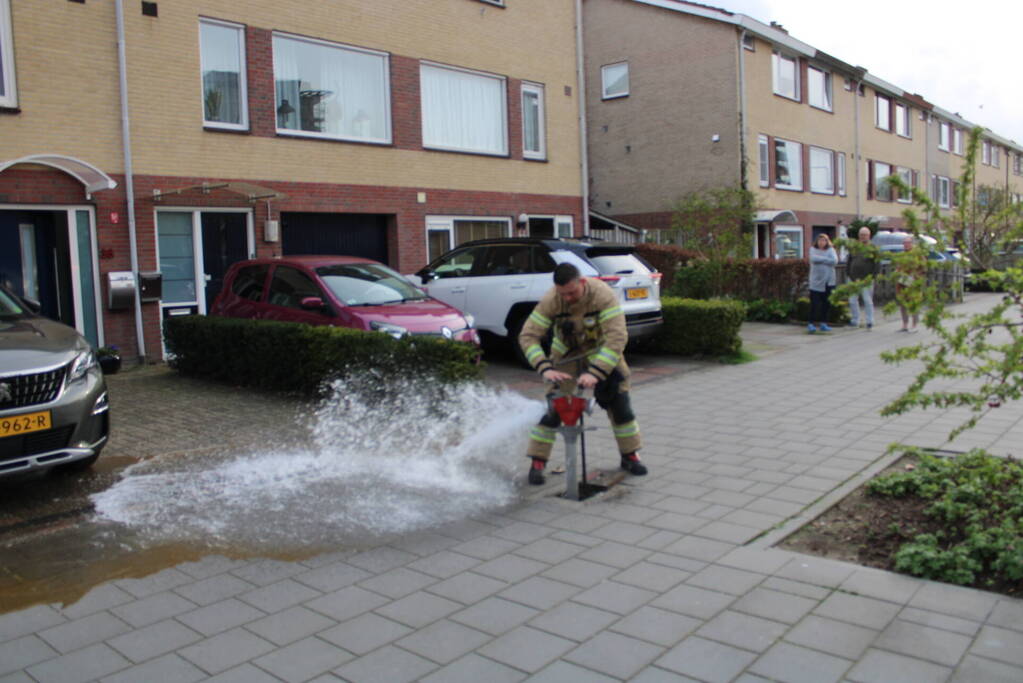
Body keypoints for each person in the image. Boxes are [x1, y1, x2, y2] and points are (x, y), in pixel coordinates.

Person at [518, 262, 646, 485]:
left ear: (582, 283)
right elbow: (528, 336)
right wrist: (545, 368)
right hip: (565, 358)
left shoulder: (603, 296)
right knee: (553, 409)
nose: (567, 298)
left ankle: (630, 455)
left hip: (602, 354)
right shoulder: (551, 300)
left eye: (572, 292)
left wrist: (596, 372)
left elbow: (617, 338)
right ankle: (537, 462)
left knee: (620, 406)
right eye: (562, 293)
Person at [846, 227, 878, 330]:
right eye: (861, 235)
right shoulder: (854, 247)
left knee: (867, 300)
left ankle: (869, 321)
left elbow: (877, 264)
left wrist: (872, 277)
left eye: (865, 235)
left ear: (869, 236)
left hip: (866, 280)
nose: (863, 237)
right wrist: (849, 274)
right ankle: (855, 320)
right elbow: (849, 261)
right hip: (853, 279)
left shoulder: (873, 248)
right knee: (852, 300)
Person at [808, 233, 838, 333]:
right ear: (817, 241)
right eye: (820, 240)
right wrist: (826, 260)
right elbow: (813, 259)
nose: (822, 242)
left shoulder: (831, 250)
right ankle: (811, 323)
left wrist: (821, 259)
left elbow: (834, 261)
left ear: (827, 241)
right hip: (815, 282)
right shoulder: (813, 249)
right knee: (815, 304)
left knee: (826, 303)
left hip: (828, 282)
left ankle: (823, 323)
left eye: (824, 240)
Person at [896, 235, 922, 333]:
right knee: (903, 303)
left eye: (908, 243)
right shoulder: (901, 255)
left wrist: (916, 276)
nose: (906, 245)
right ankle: (905, 324)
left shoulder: (917, 255)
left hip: (913, 282)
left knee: (914, 303)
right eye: (904, 243)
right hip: (902, 282)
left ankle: (914, 324)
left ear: (912, 244)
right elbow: (898, 267)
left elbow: (923, 268)